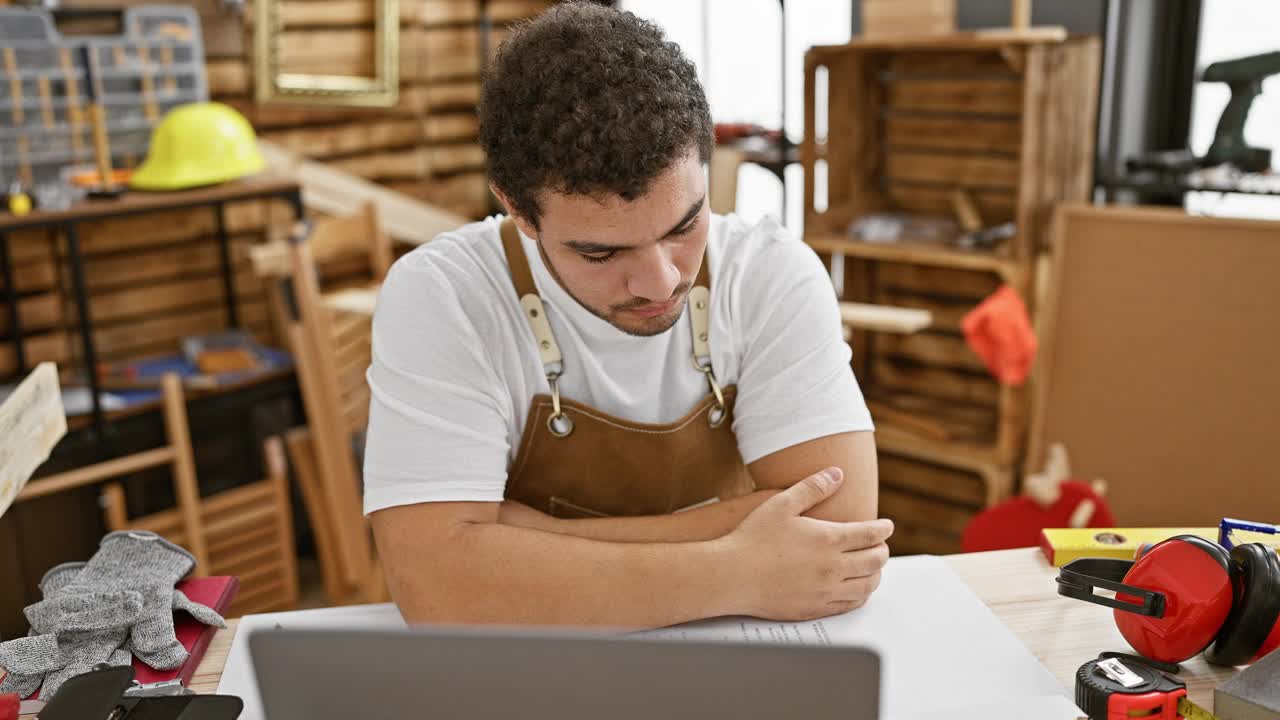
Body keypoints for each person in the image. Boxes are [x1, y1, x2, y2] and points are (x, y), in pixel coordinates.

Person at [364, 1, 891, 628]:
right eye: (600, 251)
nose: (660, 280)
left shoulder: (770, 273)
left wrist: (510, 543)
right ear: (518, 212)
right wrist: (738, 569)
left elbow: (839, 528)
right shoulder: (444, 295)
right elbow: (437, 587)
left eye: (684, 225)